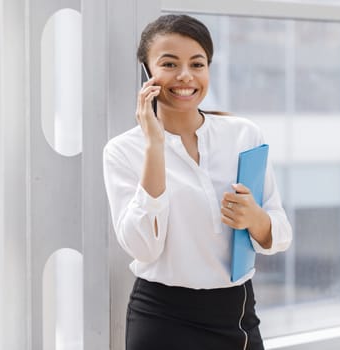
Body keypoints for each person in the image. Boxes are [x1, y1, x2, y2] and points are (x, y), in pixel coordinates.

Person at [102, 14, 293, 350]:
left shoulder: (244, 135)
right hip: (161, 317)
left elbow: (280, 233)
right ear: (147, 71)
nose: (185, 76)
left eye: (197, 63)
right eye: (169, 64)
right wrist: (154, 147)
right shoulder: (123, 151)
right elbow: (143, 247)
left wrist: (255, 219)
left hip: (235, 313)